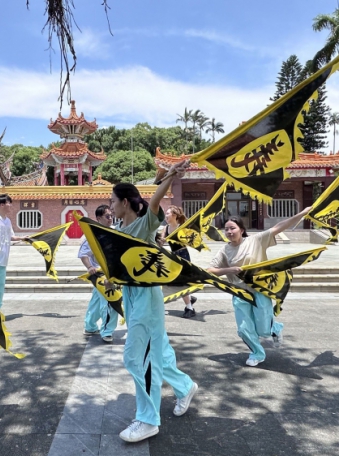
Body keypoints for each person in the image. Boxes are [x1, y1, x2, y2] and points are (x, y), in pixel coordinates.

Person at [110, 160, 198, 443]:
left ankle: (148, 420)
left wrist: (169, 177)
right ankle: (185, 387)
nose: (110, 206)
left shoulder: (143, 226)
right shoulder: (118, 230)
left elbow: (155, 205)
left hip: (147, 299)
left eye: (112, 201)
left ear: (125, 202)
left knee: (137, 358)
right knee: (158, 354)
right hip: (132, 296)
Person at [207, 207, 311, 368]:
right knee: (243, 329)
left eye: (232, 228)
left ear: (241, 230)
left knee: (263, 329)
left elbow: (279, 227)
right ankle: (257, 353)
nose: (229, 231)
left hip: (260, 289)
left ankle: (274, 328)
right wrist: (229, 270)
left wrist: (302, 214)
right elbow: (210, 270)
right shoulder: (224, 250)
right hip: (240, 293)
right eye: (226, 229)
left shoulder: (255, 241)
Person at [79, 204, 119, 344]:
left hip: (112, 273)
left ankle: (90, 326)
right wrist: (90, 266)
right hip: (100, 274)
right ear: (98, 218)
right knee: (110, 301)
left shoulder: (115, 232)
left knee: (96, 301)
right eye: (107, 216)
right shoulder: (93, 235)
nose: (110, 219)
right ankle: (107, 331)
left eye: (111, 216)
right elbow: (84, 254)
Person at [164, 206, 198, 318]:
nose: (166, 216)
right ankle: (190, 298)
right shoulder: (166, 228)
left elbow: (192, 240)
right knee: (169, 280)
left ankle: (190, 308)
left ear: (174, 215)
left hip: (183, 256)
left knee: (181, 282)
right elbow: (160, 242)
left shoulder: (182, 227)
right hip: (173, 257)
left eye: (167, 213)